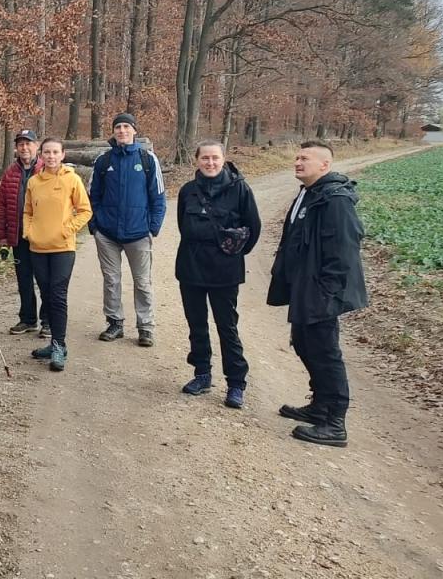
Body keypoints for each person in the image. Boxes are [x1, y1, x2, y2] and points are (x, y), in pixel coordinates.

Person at [268, 140, 367, 447]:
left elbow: (344, 250)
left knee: (325, 352)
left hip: (322, 291)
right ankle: (320, 406)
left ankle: (335, 423)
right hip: (304, 286)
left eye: (305, 158)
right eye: (297, 157)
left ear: (325, 165)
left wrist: (327, 292)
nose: (298, 162)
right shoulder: (309, 193)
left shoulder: (335, 200)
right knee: (303, 343)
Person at [175, 140, 261, 408]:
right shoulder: (187, 191)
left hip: (225, 271)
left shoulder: (240, 189)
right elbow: (182, 225)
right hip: (191, 267)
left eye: (215, 158)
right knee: (196, 325)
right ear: (196, 160)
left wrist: (232, 254)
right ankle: (202, 374)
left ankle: (236, 383)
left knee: (227, 327)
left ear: (224, 160)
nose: (210, 163)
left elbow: (253, 228)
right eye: (205, 158)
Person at [89, 113, 166, 347]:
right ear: (113, 131)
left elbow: (158, 197)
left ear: (134, 131)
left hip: (138, 233)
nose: (122, 131)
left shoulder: (147, 159)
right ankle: (115, 323)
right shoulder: (103, 161)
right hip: (107, 233)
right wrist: (95, 226)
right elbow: (92, 196)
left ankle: (145, 327)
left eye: (126, 126)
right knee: (111, 280)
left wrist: (153, 228)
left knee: (142, 282)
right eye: (118, 127)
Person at [24, 138, 93, 372]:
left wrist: (67, 229)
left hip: (63, 248)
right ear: (41, 155)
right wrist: (29, 232)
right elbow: (27, 211)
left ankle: (58, 345)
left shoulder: (72, 179)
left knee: (58, 295)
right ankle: (53, 342)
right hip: (38, 248)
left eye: (55, 152)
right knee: (46, 295)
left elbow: (85, 211)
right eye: (47, 152)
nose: (51, 156)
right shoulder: (34, 181)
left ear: (63, 155)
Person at [0, 129, 47, 337]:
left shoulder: (45, 169)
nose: (24, 148)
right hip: (18, 235)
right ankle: (27, 319)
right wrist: (2, 236)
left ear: (37, 146)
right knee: (24, 280)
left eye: (28, 143)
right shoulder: (10, 172)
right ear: (16, 147)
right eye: (21, 144)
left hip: (42, 236)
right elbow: (2, 205)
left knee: (44, 280)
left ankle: (48, 321)